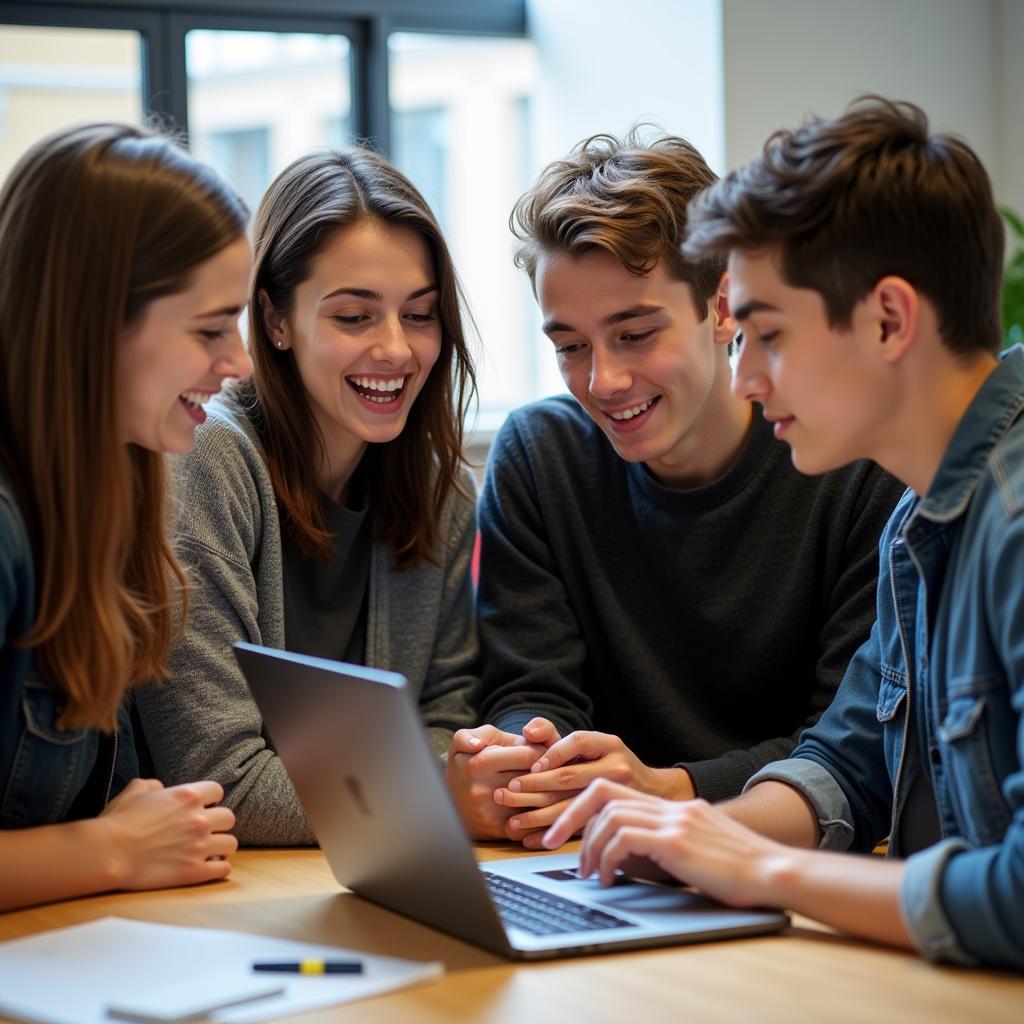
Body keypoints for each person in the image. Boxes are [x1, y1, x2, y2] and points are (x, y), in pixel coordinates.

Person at [544, 96, 1024, 971]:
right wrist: (687, 833)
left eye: (766, 334)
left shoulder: (1014, 523)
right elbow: (850, 764)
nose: (749, 377)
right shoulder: (922, 518)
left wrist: (764, 866)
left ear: (888, 319)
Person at [446, 130, 905, 845]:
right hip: (598, 850)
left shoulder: (850, 470)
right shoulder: (541, 455)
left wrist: (670, 790)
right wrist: (528, 758)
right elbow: (530, 687)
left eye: (634, 334)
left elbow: (853, 743)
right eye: (569, 346)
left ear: (723, 308)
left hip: (786, 856)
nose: (602, 381)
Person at [136, 148, 480, 845]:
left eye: (419, 315)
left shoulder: (444, 491)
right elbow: (222, 780)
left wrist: (433, 789)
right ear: (275, 320)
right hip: (215, 892)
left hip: (360, 869)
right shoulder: (204, 462)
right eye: (354, 317)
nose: (397, 350)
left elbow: (453, 725)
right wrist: (434, 797)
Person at [0, 123, 252, 910]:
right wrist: (108, 850)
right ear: (94, 322)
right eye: (211, 328)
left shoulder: (103, 500)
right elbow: (119, 835)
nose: (240, 361)